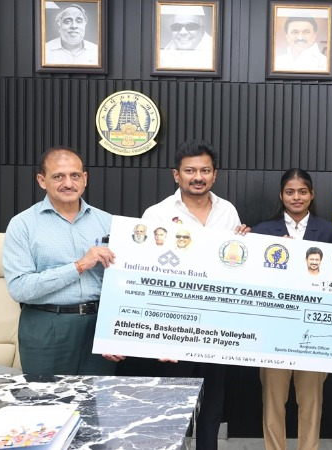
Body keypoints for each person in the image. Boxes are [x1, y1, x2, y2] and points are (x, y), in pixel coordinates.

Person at [109, 139, 247, 450]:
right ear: (176, 175)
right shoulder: (156, 214)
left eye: (205, 170)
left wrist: (245, 244)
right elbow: (140, 271)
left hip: (216, 324)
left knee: (213, 405)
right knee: (173, 406)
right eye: (190, 171)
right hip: (174, 325)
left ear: (214, 175)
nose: (198, 177)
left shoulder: (228, 211)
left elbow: (236, 263)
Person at [3, 147, 116, 376]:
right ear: (41, 180)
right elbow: (19, 288)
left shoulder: (108, 222)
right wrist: (79, 266)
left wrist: (117, 332)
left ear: (85, 178)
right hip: (46, 327)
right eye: (58, 176)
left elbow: (122, 283)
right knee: (45, 397)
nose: (68, 183)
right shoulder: (22, 225)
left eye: (75, 175)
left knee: (99, 397)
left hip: (99, 326)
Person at [252, 168, 332, 450]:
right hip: (274, 331)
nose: (296, 197)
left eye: (302, 191)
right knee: (272, 402)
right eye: (290, 192)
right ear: (281, 195)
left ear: (312, 194)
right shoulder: (261, 232)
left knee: (312, 402)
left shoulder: (331, 232)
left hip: (314, 331)